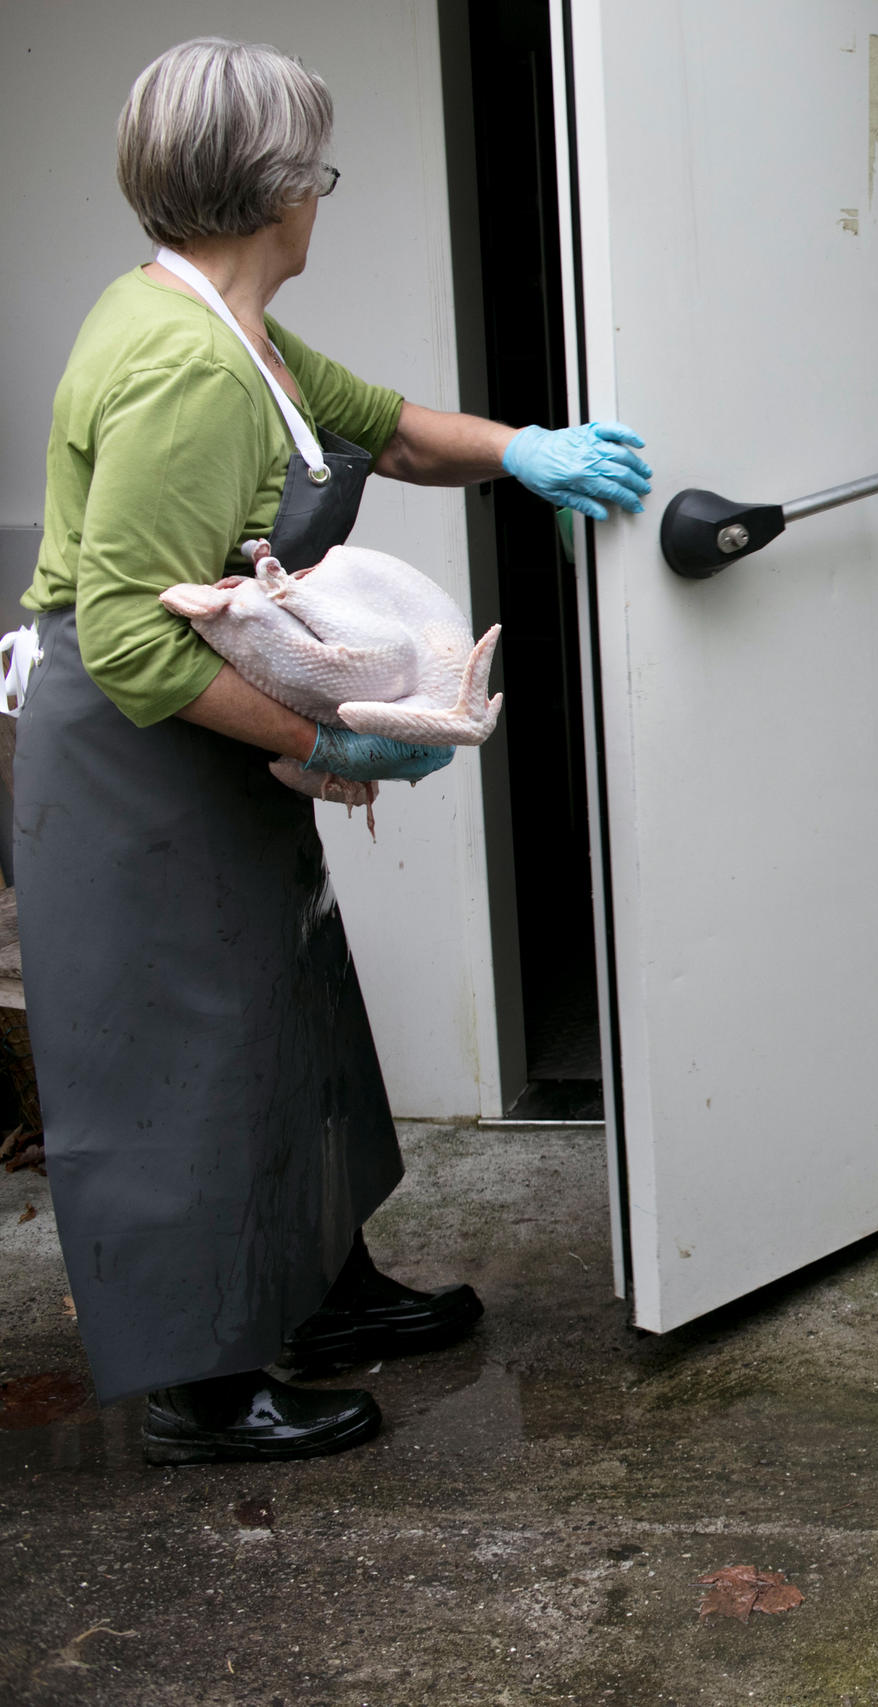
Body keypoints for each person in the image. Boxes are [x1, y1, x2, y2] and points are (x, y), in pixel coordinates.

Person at [13, 37, 652, 1464]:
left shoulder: (228, 329)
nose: (325, 194)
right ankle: (202, 1381)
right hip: (128, 761)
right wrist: (334, 739)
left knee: (290, 1017)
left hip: (198, 748)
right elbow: (126, 639)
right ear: (279, 189)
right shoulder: (185, 368)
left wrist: (527, 448)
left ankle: (322, 1290)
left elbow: (380, 433)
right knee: (188, 1060)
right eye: (319, 168)